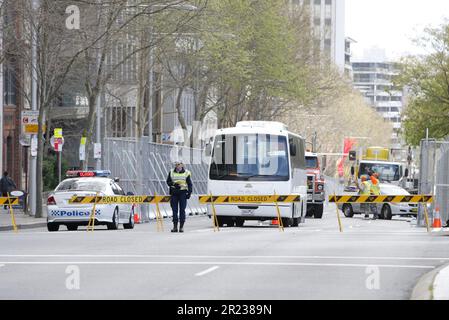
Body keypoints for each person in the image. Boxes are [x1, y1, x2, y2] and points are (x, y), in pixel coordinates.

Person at [166, 161, 192, 233]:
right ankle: (175, 227)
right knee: (174, 210)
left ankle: (181, 227)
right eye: (176, 165)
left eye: (179, 165)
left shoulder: (186, 173)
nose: (177, 166)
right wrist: (174, 184)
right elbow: (168, 182)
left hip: (183, 193)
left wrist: (189, 193)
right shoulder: (171, 172)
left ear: (182, 165)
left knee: (182, 210)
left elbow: (189, 184)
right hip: (174, 193)